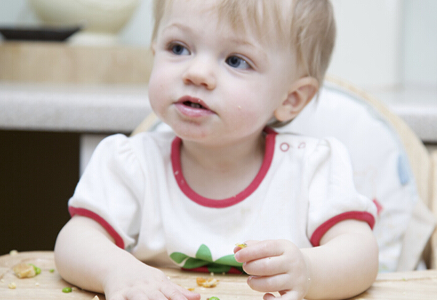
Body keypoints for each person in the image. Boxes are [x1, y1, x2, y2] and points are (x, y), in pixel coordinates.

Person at [54, 0, 379, 299]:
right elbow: (75, 240)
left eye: (236, 60)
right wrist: (117, 271)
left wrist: (309, 272)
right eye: (178, 48)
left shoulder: (311, 167)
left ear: (289, 99)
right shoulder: (132, 163)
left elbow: (361, 253)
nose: (196, 73)